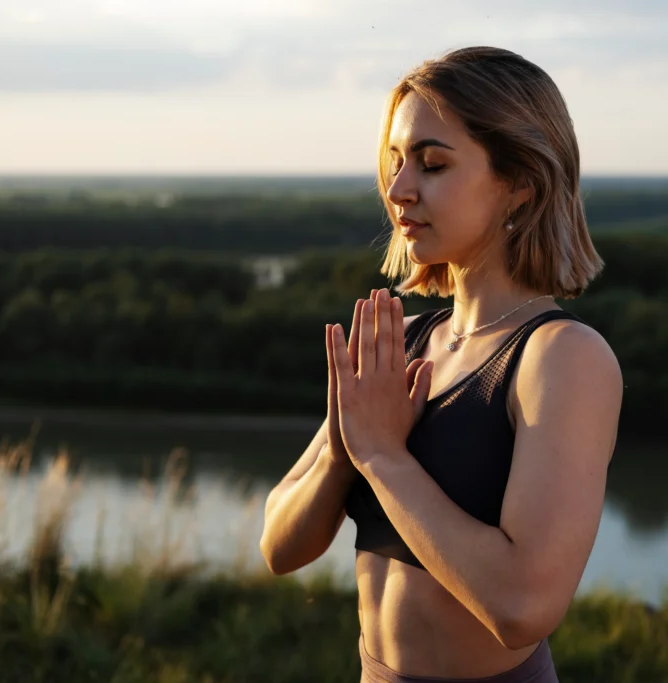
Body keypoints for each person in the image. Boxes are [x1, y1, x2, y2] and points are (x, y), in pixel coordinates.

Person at [260, 46, 623, 683]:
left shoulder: (562, 358)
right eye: (395, 162)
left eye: (432, 164)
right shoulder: (399, 342)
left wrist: (381, 455)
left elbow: (521, 608)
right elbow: (279, 547)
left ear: (520, 183)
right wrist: (346, 452)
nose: (399, 190)